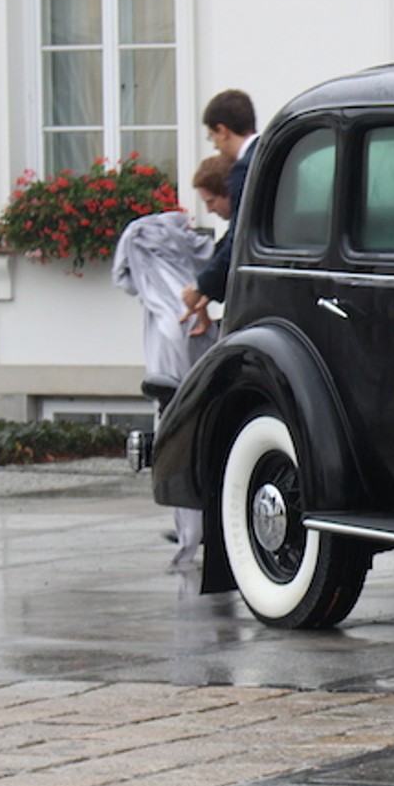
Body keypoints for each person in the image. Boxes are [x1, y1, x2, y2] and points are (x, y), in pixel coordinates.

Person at [113, 155, 232, 567]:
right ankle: (197, 525)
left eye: (211, 201)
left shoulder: (169, 315)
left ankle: (194, 527)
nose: (209, 210)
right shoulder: (191, 290)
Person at [180, 89, 258, 336]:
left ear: (223, 130)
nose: (215, 145)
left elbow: (240, 236)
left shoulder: (243, 169)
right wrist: (211, 287)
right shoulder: (268, 152)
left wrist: (201, 286)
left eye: (212, 137)